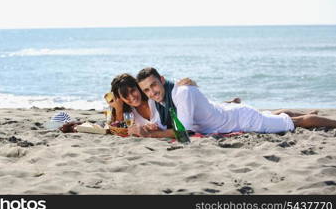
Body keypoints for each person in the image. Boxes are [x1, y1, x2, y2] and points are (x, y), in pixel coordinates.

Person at [133, 67, 336, 137]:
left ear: (161, 80)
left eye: (154, 86)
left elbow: (184, 130)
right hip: (229, 111)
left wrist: (153, 134)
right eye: (147, 90)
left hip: (241, 120)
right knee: (273, 115)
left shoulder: (181, 92)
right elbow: (160, 124)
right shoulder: (157, 100)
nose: (152, 92)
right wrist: (148, 128)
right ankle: (303, 113)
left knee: (298, 122)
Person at [109, 73, 241, 138]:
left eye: (133, 90)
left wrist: (186, 83)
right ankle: (228, 103)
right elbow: (119, 128)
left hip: (185, 115)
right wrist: (119, 107)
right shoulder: (128, 112)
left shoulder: (152, 98)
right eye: (125, 96)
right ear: (120, 98)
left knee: (212, 107)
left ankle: (228, 102)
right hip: (180, 122)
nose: (131, 97)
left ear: (138, 87)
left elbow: (168, 88)